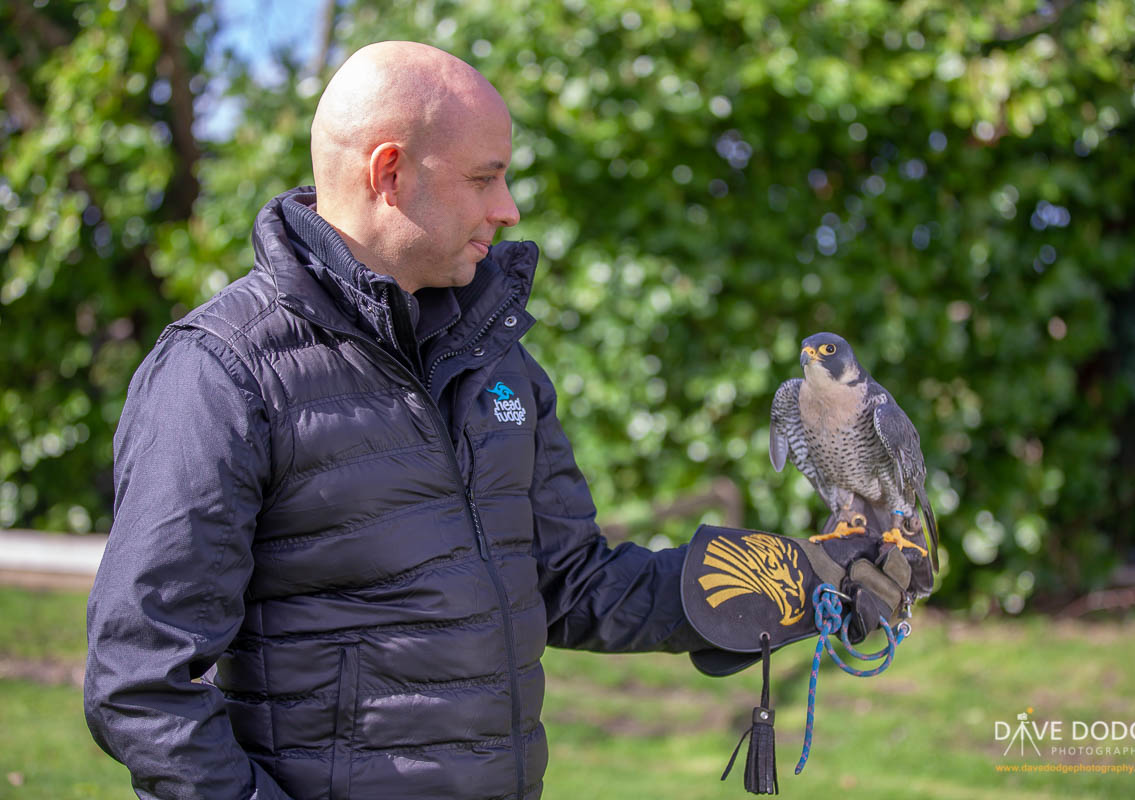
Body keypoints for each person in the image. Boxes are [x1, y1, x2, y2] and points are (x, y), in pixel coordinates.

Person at [84, 41, 711, 800]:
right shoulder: (222, 371)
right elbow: (140, 681)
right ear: (388, 174)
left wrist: (791, 583)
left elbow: (575, 585)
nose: (507, 209)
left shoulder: (499, 362)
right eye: (486, 177)